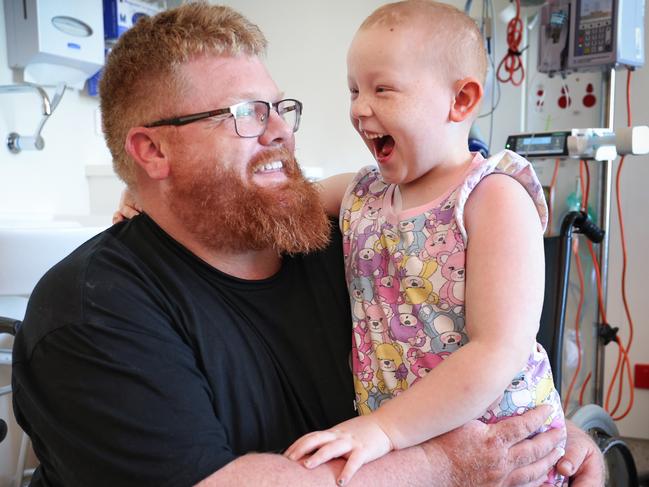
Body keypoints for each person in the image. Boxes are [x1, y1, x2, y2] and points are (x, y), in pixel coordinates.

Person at [11, 3, 603, 487]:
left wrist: (541, 438)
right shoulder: (93, 316)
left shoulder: (344, 242)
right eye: (245, 113)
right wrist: (444, 464)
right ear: (153, 152)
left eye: (280, 108)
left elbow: (466, 352)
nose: (281, 131)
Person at [284, 1, 566, 485]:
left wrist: (382, 429)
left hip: (506, 448)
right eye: (354, 90)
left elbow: (497, 349)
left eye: (382, 89)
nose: (358, 108)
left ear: (460, 101)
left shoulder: (492, 197)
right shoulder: (361, 193)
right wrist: (150, 201)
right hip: (412, 449)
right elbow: (280, 206)